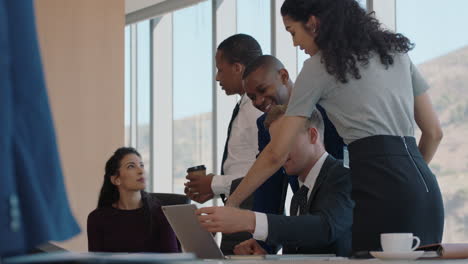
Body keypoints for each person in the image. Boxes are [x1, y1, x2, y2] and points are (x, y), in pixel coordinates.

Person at [225, 0, 444, 253]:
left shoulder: (319, 67)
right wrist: (406, 184)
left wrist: (232, 203)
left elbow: (277, 152)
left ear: (313, 23)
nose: (295, 43)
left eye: (293, 32)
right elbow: (434, 133)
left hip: (377, 192)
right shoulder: (396, 52)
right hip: (425, 191)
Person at [196, 105, 354, 257]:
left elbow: (324, 228)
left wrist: (249, 220)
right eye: (274, 145)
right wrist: (265, 255)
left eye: (284, 142)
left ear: (313, 135)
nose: (278, 152)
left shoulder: (344, 175)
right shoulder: (300, 195)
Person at [183, 34, 263, 254]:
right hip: (237, 208)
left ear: (237, 68)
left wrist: (215, 184)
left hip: (251, 213)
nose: (217, 78)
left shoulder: (256, 109)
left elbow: (267, 171)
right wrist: (213, 188)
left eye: (220, 69)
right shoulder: (245, 106)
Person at [87, 147, 179, 253]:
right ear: (116, 179)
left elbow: (173, 259)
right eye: (131, 166)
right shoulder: (97, 218)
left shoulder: (162, 214)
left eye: (142, 165)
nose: (141, 171)